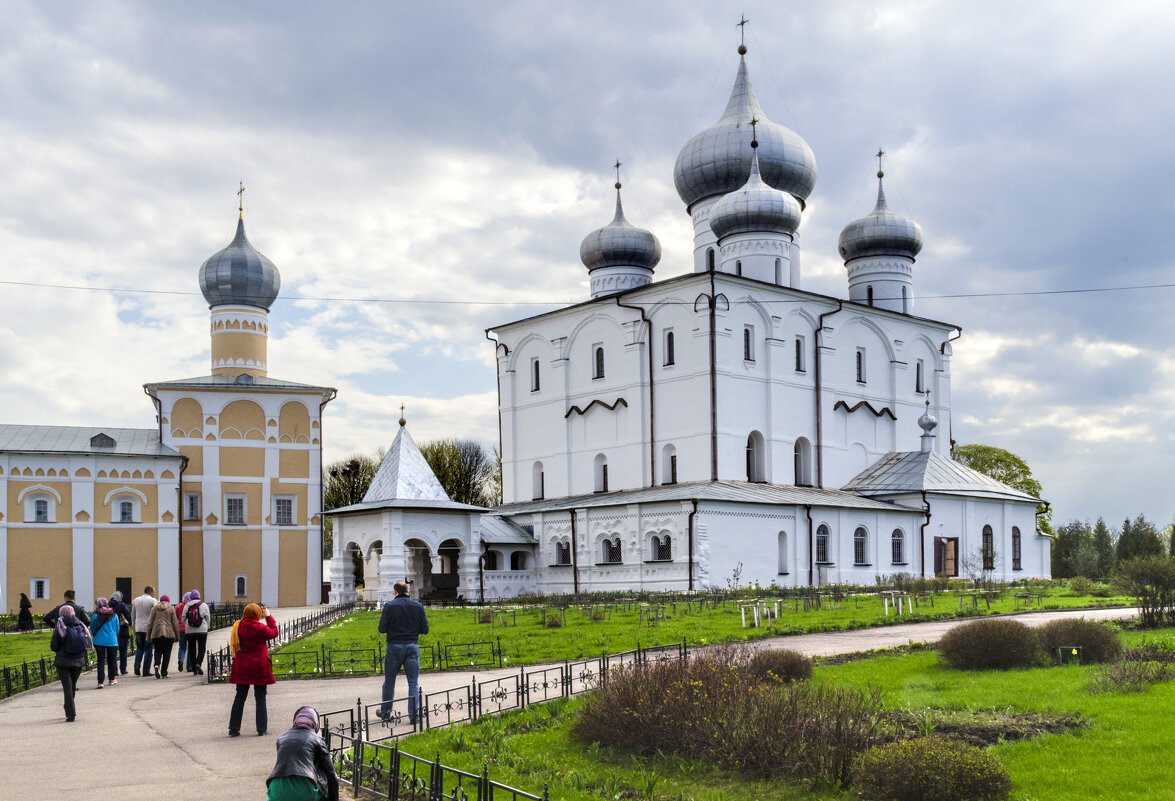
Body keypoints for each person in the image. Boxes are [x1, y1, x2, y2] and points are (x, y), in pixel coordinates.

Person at [376, 580, 429, 723]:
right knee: (413, 682)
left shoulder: (389, 606)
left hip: (394, 646)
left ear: (395, 592)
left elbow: (382, 629)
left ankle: (386, 713)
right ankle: (414, 715)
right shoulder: (418, 606)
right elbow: (425, 629)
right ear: (407, 591)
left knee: (389, 681)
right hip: (412, 646)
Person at [265, 706, 339, 801]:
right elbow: (331, 775)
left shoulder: (281, 739)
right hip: (305, 788)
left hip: (276, 788)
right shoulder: (317, 740)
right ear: (315, 723)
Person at [228, 603, 278, 737]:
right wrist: (268, 616)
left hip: (242, 666)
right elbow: (274, 632)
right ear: (258, 615)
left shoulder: (238, 626)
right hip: (259, 665)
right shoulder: (260, 628)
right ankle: (261, 728)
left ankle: (234, 727)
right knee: (260, 697)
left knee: (240, 696)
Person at [49, 605, 92, 722]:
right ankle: (69, 706)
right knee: (72, 686)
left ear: (61, 614)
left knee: (67, 687)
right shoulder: (81, 624)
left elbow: (54, 646)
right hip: (78, 661)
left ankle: (70, 712)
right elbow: (86, 642)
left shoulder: (59, 625)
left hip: (63, 662)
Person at [89, 597, 120, 688]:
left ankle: (100, 682)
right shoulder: (113, 615)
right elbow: (117, 629)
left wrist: (96, 635)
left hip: (99, 641)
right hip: (112, 641)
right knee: (112, 660)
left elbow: (93, 628)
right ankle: (112, 679)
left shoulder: (96, 615)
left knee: (101, 661)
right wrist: (113, 635)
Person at [147, 594, 180, 678]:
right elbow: (175, 623)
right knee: (167, 653)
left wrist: (148, 635)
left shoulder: (154, 608)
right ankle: (164, 672)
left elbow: (150, 622)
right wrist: (177, 635)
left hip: (156, 633)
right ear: (168, 601)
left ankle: (156, 664)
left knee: (157, 651)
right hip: (168, 634)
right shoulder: (170, 608)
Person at [132, 585, 157, 676]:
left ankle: (136, 665)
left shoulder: (136, 600)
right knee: (148, 649)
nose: (154, 594)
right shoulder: (153, 601)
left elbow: (133, 615)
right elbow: (156, 612)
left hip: (138, 627)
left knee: (140, 648)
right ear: (150, 592)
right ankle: (146, 671)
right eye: (153, 592)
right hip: (148, 628)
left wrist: (134, 627)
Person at [184, 589, 210, 675]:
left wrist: (187, 626)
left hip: (190, 631)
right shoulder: (204, 605)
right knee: (202, 649)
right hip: (202, 630)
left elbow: (183, 617)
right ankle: (198, 663)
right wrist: (207, 627)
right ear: (199, 596)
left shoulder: (187, 605)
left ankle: (194, 670)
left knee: (192, 650)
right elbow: (207, 618)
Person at [108, 590, 133, 675]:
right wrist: (131, 623)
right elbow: (128, 615)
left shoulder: (108, 605)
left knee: (113, 652)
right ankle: (123, 669)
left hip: (111, 631)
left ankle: (114, 671)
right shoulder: (121, 605)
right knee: (123, 651)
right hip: (122, 630)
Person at [175, 591, 192, 674]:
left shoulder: (178, 606)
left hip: (181, 629)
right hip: (190, 629)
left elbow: (175, 618)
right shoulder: (191, 606)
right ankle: (189, 666)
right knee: (190, 648)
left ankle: (180, 660)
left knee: (182, 647)